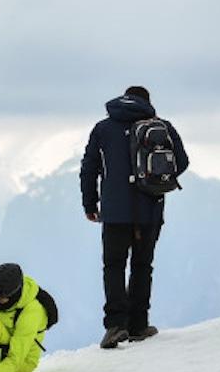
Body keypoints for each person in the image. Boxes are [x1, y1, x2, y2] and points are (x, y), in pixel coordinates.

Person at [80, 85, 189, 348]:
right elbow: (182, 162)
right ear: (147, 102)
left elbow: (89, 167)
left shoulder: (103, 128)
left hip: (115, 212)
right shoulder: (162, 127)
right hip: (149, 210)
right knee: (142, 265)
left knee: (114, 266)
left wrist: (90, 203)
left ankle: (116, 326)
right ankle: (139, 324)